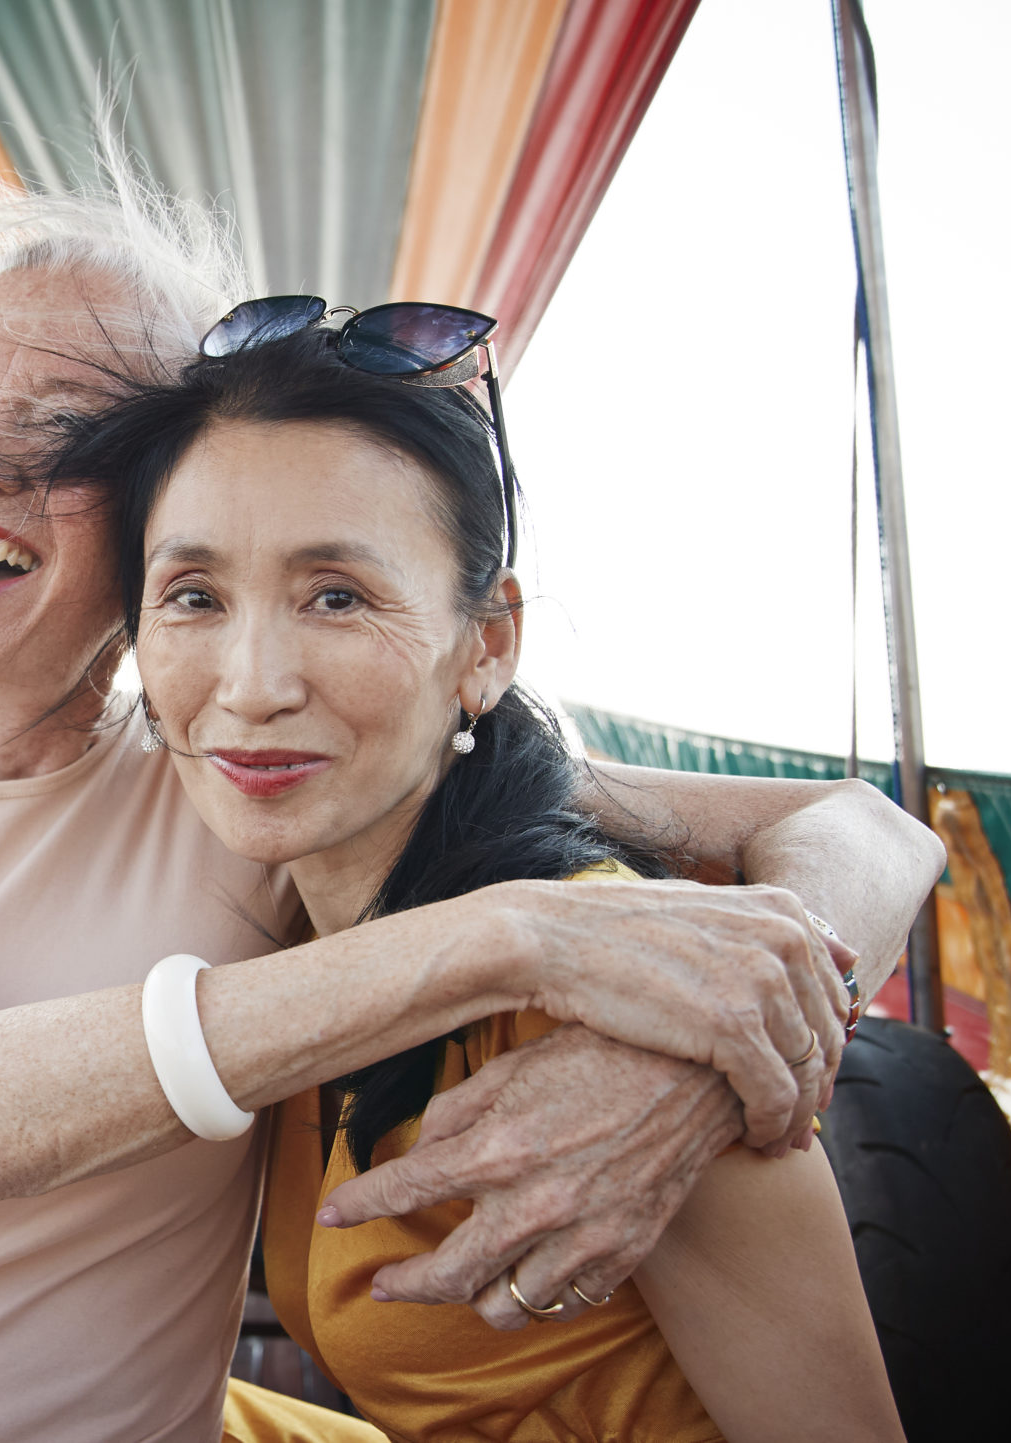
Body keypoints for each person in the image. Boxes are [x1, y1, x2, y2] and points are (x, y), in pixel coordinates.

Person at [0, 163, 942, 1442]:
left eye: (58, 429)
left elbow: (864, 829)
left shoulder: (257, 788)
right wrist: (518, 936)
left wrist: (704, 1061)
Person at [65, 318, 906, 1440]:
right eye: (193, 597)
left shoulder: (632, 1005)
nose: (253, 683)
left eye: (337, 596)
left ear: (488, 646)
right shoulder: (292, 921)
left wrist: (753, 1029)